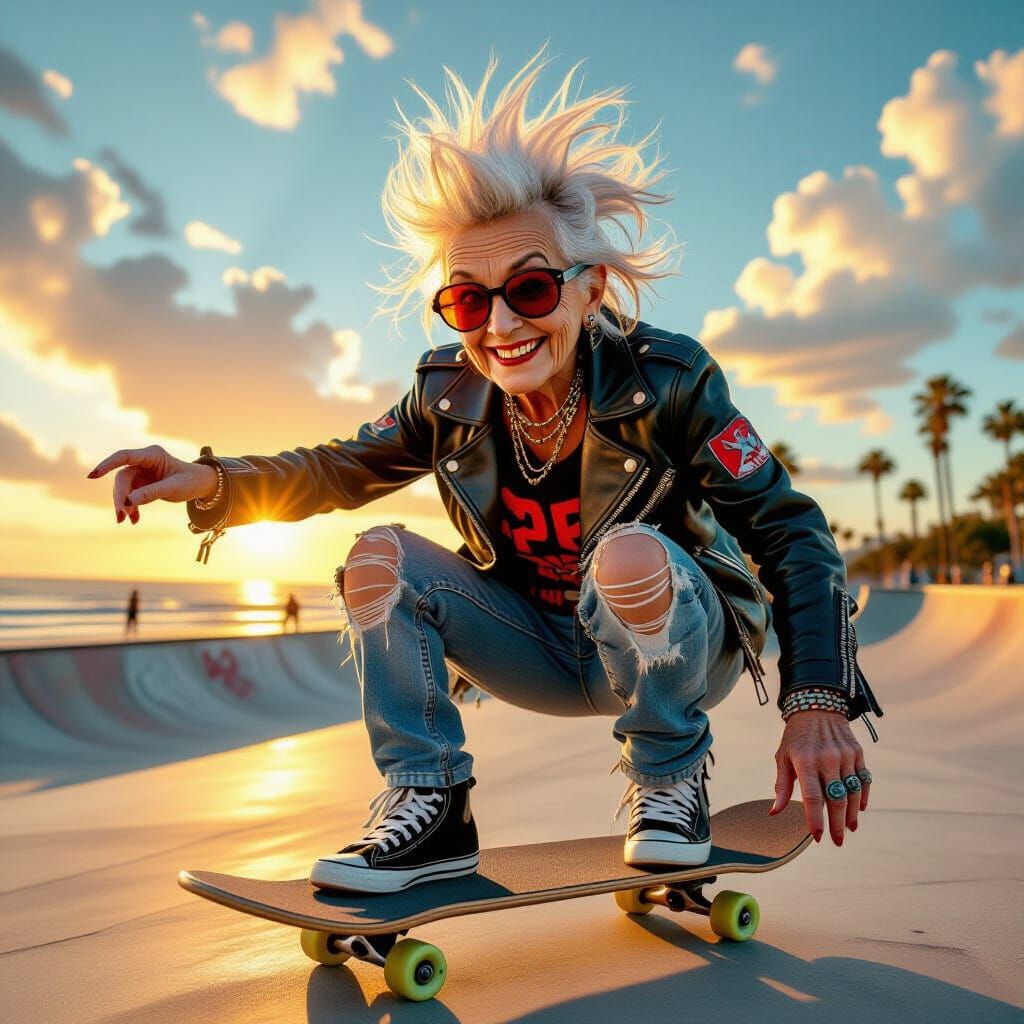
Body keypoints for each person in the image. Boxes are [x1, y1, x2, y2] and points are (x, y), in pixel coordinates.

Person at [86, 46, 881, 896]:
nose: (499, 323)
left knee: (628, 559)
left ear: (592, 290)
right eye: (469, 299)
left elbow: (791, 533)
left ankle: (669, 778)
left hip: (677, 643)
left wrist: (818, 704)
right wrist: (209, 481)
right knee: (378, 556)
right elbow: (338, 468)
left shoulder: (670, 382)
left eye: (531, 289)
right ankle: (430, 806)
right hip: (535, 647)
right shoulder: (450, 394)